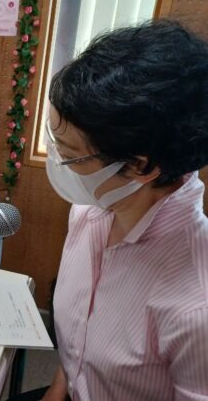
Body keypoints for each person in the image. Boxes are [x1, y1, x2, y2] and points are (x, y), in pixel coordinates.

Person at [39, 21, 208, 400]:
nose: (58, 163)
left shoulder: (196, 306)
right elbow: (77, 352)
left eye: (68, 155)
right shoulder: (92, 210)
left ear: (141, 167)